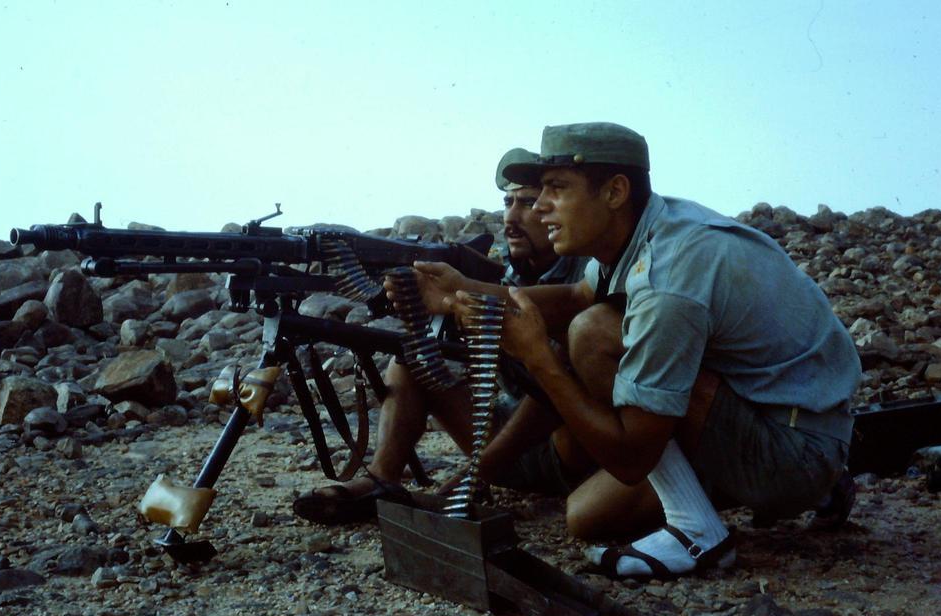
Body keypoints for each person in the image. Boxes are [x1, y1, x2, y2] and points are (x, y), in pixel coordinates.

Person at [409, 122, 861, 579]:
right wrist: (463, 290)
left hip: (791, 451)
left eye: (557, 189)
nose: (540, 206)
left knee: (593, 335)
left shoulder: (669, 275)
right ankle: (817, 487)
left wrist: (539, 359)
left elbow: (631, 458)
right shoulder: (647, 228)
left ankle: (698, 534)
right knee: (586, 516)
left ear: (615, 192)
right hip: (793, 424)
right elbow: (574, 298)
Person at [292, 148, 590, 525]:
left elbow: (554, 390)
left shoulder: (587, 273)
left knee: (560, 368)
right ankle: (382, 480)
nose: (511, 217)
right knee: (414, 358)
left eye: (528, 203)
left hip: (570, 452)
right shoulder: (508, 270)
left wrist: (477, 472)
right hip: (506, 445)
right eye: (508, 202)